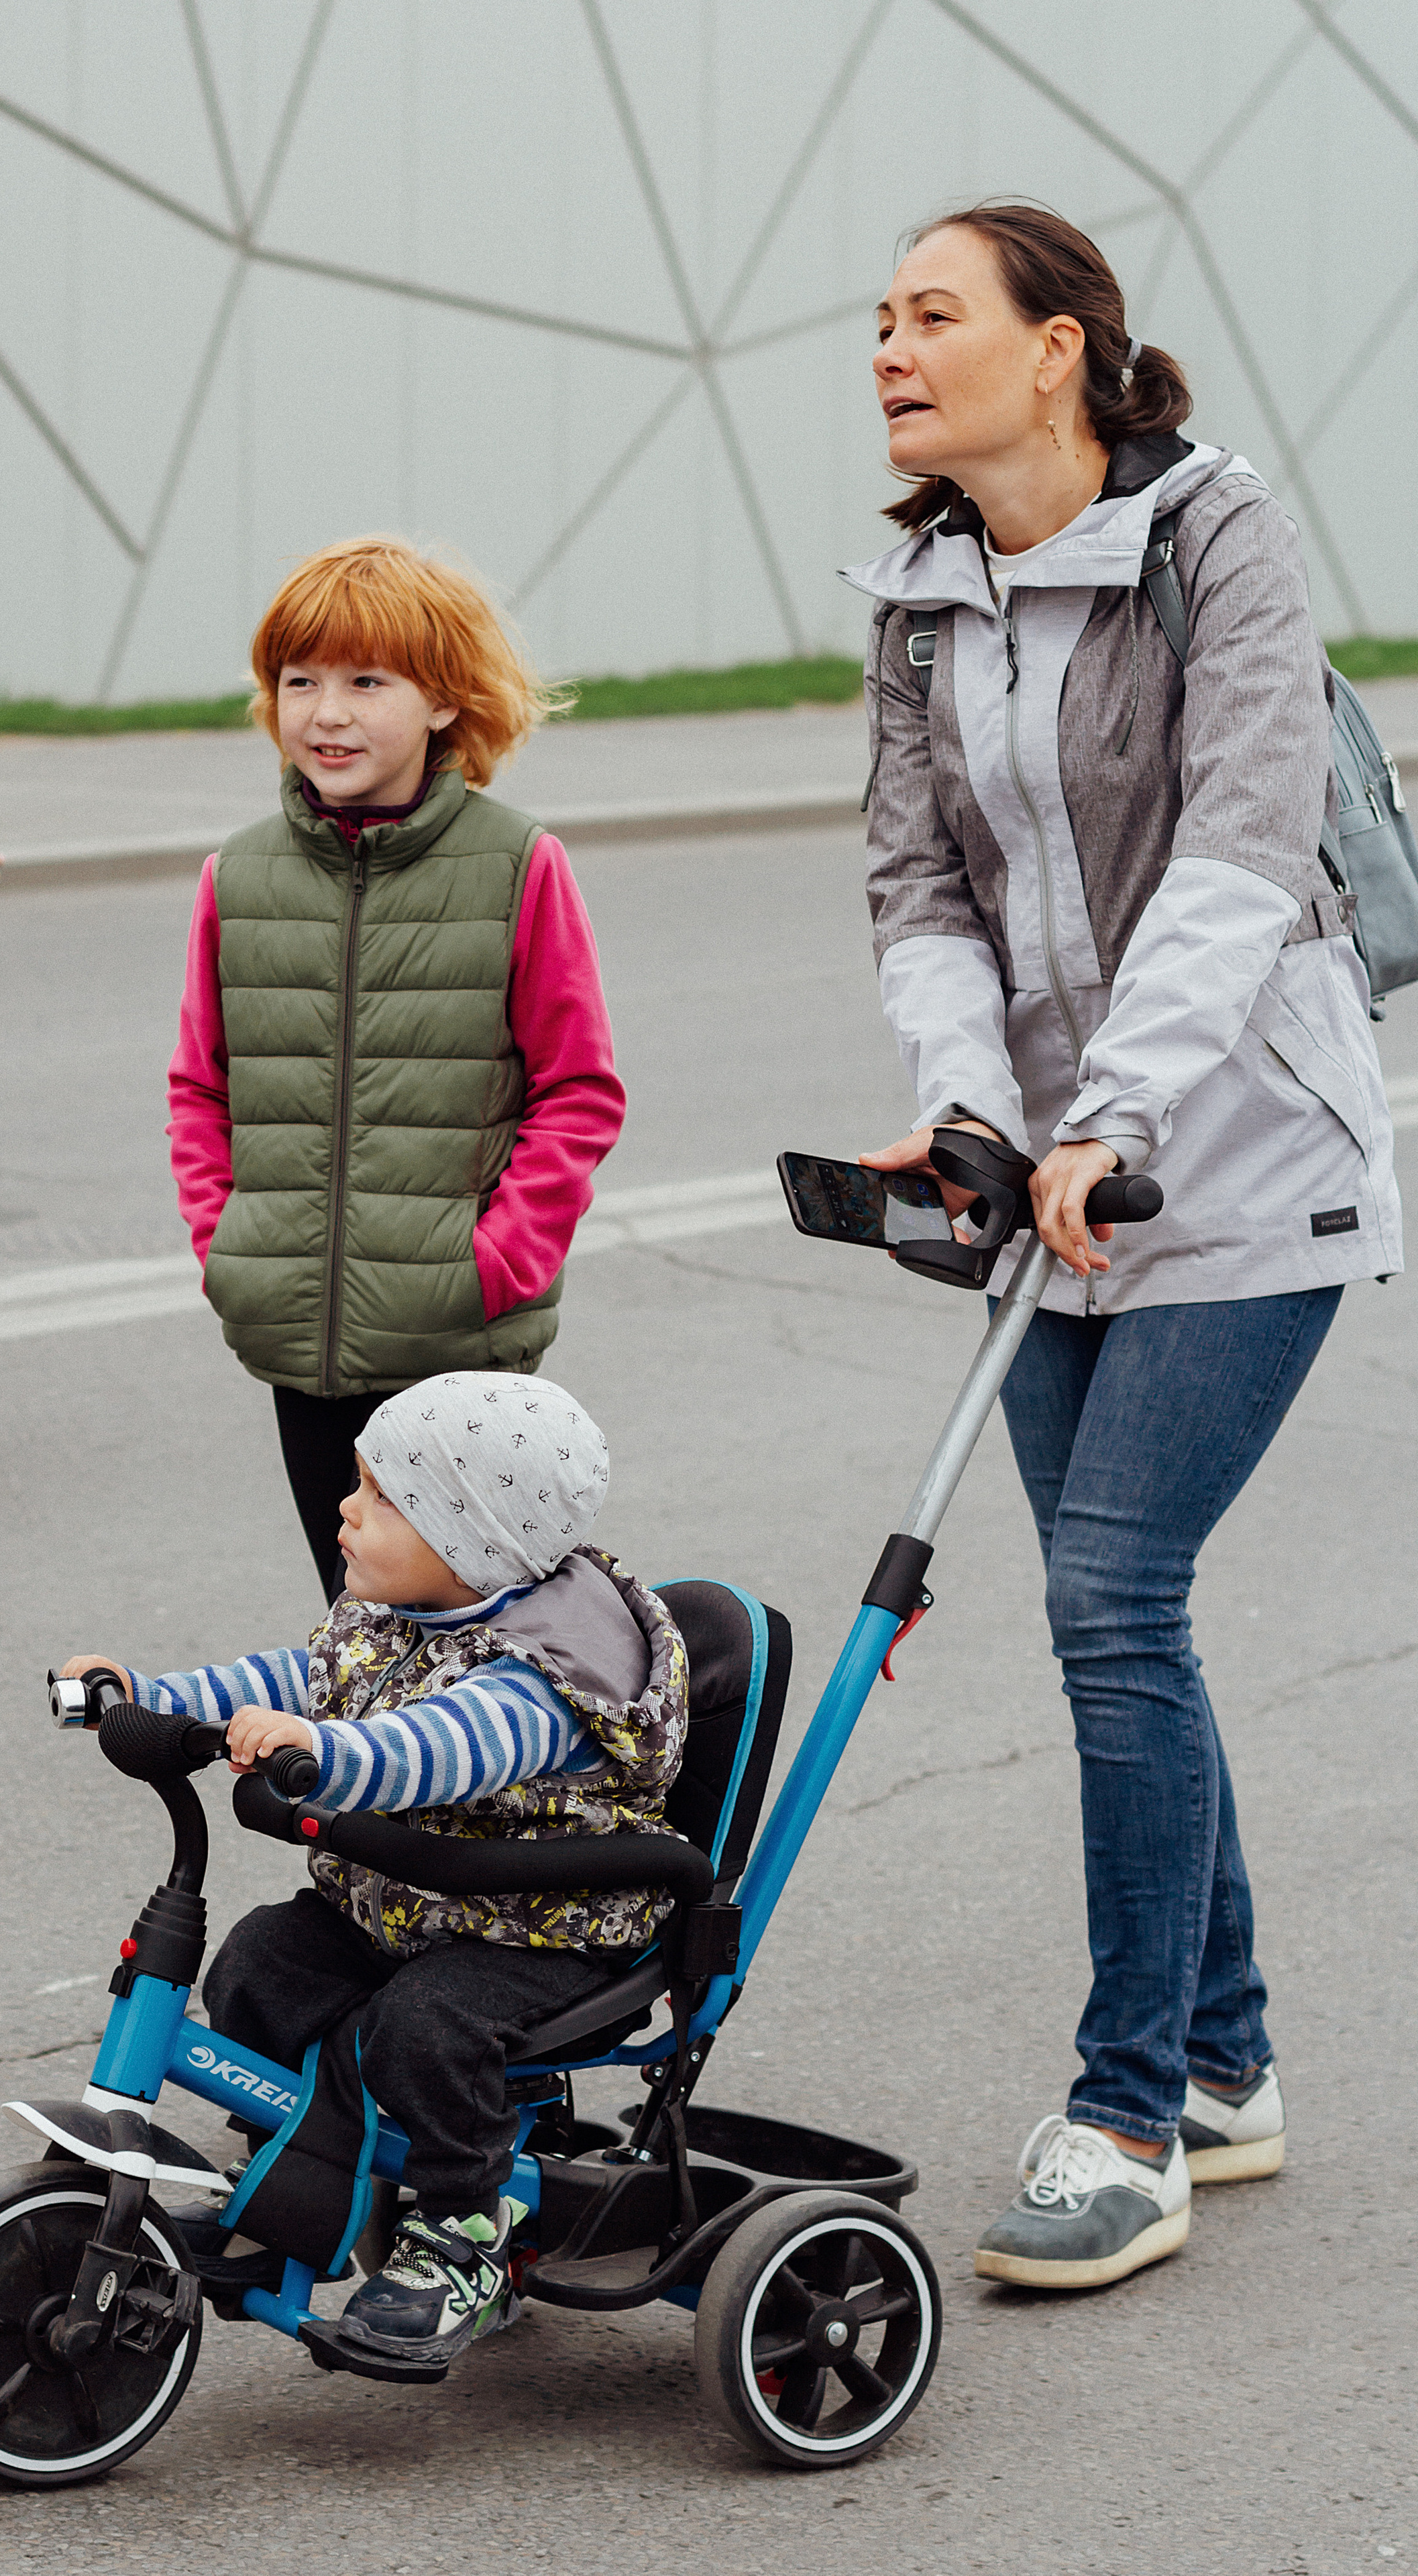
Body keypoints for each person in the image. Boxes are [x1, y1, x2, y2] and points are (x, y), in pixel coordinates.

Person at [844, 200, 1400, 2292]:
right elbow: (917, 886)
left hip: (1238, 1155)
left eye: (931, 315)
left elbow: (1248, 846)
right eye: (878, 322)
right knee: (1124, 1621)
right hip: (1059, 1170)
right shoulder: (917, 595)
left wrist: (1120, 1111)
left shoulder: (1215, 539)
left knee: (1109, 1592)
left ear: (1061, 346)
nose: (890, 349)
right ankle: (1233, 2064)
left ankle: (1131, 2114)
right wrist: (978, 1108)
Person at [60, 1369, 687, 2368]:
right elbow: (287, 1677)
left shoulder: (544, 1674)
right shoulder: (403, 1612)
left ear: (469, 1534)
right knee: (259, 1960)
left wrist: (322, 1753)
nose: (345, 1512)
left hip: (540, 1931)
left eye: (380, 1498)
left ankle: (463, 2238)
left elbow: (438, 1746)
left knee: (427, 2026)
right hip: (409, 1906)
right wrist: (149, 1696)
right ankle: (299, 2168)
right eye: (357, 1486)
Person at [168, 537, 626, 1598]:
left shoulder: (519, 864)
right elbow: (201, 1087)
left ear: (442, 702)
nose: (326, 713)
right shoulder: (238, 875)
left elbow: (577, 1090)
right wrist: (230, 1242)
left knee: (475, 1623)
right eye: (300, 681)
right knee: (355, 1608)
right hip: (296, 1330)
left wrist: (498, 1263)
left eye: (366, 681)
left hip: (459, 1337)